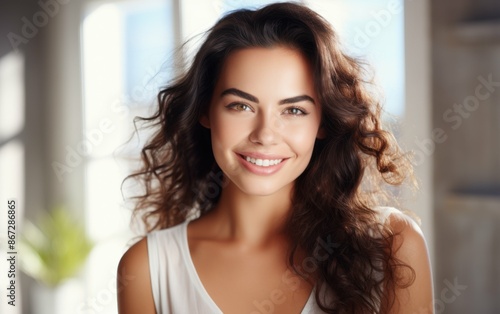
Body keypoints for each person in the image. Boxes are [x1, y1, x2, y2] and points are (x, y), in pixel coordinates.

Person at [117, 2, 433, 313]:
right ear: (204, 110)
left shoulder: (392, 246)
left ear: (322, 123)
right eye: (240, 106)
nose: (265, 134)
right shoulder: (147, 270)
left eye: (294, 110)